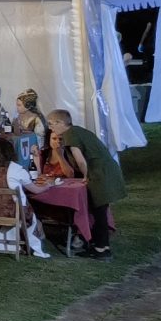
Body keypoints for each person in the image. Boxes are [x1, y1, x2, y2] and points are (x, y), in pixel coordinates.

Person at [48, 108, 126, 258]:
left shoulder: (70, 135)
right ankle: (99, 245)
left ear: (60, 122)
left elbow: (80, 159)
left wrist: (85, 175)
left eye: (52, 124)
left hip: (100, 174)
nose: (50, 127)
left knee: (99, 212)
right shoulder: (77, 131)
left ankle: (102, 249)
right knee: (99, 211)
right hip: (105, 170)